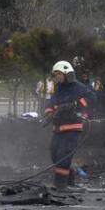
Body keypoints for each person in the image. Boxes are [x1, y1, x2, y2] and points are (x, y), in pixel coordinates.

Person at [44, 60, 96, 191]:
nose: (57, 77)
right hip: (58, 129)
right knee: (54, 154)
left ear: (67, 74)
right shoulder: (59, 88)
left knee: (63, 156)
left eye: (59, 74)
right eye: (56, 74)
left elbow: (92, 97)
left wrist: (74, 105)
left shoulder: (77, 87)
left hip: (72, 128)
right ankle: (70, 179)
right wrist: (49, 113)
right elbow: (51, 104)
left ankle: (60, 184)